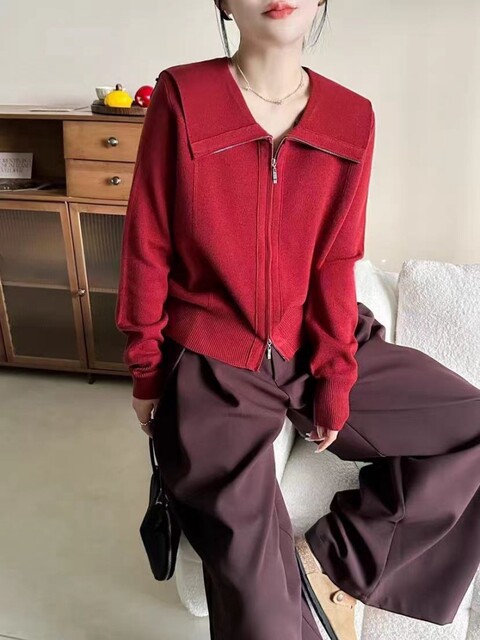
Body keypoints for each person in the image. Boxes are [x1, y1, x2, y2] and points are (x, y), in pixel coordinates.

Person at [115, 1, 480, 639]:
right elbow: (148, 241)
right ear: (224, 2)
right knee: (262, 615)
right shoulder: (183, 95)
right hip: (212, 360)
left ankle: (334, 565)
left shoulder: (351, 115)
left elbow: (338, 257)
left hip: (320, 338)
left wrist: (336, 376)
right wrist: (147, 369)